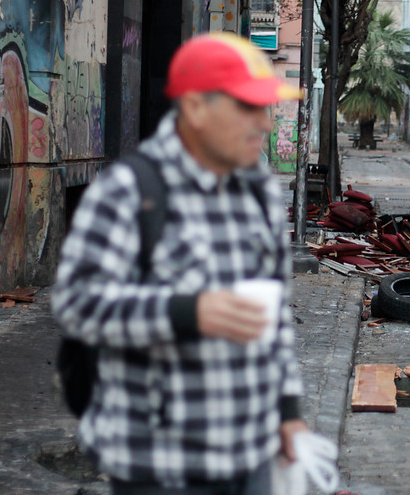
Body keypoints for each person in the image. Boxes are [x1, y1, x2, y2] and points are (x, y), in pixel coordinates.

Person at [52, 32, 306, 494]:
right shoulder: (129, 191)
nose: (265, 124)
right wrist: (187, 312)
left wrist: (288, 413)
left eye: (265, 108)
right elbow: (76, 304)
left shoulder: (262, 193)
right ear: (195, 109)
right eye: (248, 107)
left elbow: (275, 322)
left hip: (251, 458)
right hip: (157, 465)